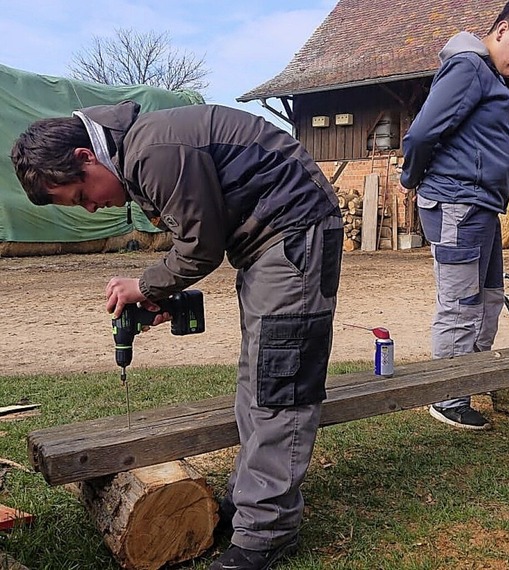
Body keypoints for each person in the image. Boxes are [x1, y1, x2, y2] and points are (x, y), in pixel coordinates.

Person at [11, 102, 344, 570]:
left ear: (86, 156)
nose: (91, 206)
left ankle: (267, 532)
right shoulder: (140, 150)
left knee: (280, 386)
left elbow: (200, 247)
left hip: (292, 234)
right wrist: (161, 291)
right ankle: (250, 504)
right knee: (257, 379)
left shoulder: (152, 150)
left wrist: (144, 286)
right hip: (267, 245)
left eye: (81, 195)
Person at [400, 0, 509, 430]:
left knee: (488, 298)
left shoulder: (486, 75)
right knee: (460, 303)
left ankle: (468, 381)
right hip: (457, 203)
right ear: (502, 29)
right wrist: (411, 179)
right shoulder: (468, 67)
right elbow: (422, 132)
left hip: (482, 207)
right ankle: (447, 398)